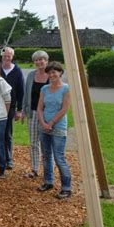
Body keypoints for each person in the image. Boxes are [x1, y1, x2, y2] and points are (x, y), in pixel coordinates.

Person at [37, 61, 72, 199]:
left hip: (58, 128)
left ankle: (67, 187)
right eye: (49, 72)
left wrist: (51, 122)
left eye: (54, 72)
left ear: (60, 73)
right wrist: (43, 123)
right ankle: (48, 181)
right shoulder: (44, 89)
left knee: (59, 158)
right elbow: (40, 108)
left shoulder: (66, 89)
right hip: (44, 127)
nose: (52, 75)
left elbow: (64, 109)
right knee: (46, 156)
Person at [21, 50, 50, 179]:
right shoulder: (31, 75)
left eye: (41, 59)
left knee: (46, 144)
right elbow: (26, 94)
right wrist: (23, 111)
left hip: (46, 115)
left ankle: (48, 171)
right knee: (34, 143)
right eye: (36, 60)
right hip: (32, 113)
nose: (39, 62)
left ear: (46, 61)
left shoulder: (51, 75)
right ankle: (35, 169)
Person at [0, 47, 24, 169]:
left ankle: (8, 159)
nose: (6, 57)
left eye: (9, 56)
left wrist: (19, 110)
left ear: (12, 57)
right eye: (4, 55)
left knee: (7, 133)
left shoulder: (17, 71)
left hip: (11, 106)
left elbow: (21, 92)